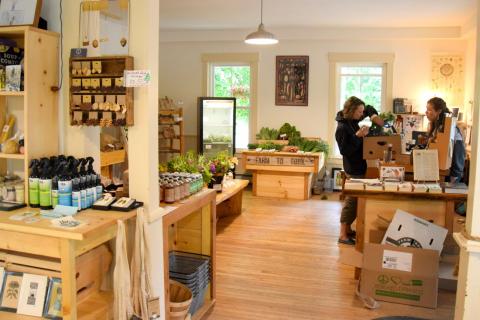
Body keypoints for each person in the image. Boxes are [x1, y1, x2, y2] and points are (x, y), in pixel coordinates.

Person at [335, 96, 370, 245]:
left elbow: (369, 111)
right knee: (351, 201)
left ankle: (348, 229)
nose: (361, 114)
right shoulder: (342, 127)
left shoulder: (352, 122)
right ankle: (342, 235)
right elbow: (345, 150)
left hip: (359, 166)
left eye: (362, 111)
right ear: (352, 111)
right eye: (359, 111)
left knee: (355, 201)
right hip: (353, 168)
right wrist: (358, 136)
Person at [425, 97, 466, 183]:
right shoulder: (436, 126)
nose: (426, 112)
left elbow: (459, 152)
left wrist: (455, 175)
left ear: (439, 111)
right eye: (426, 109)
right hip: (438, 171)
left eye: (429, 110)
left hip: (450, 174)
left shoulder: (450, 128)